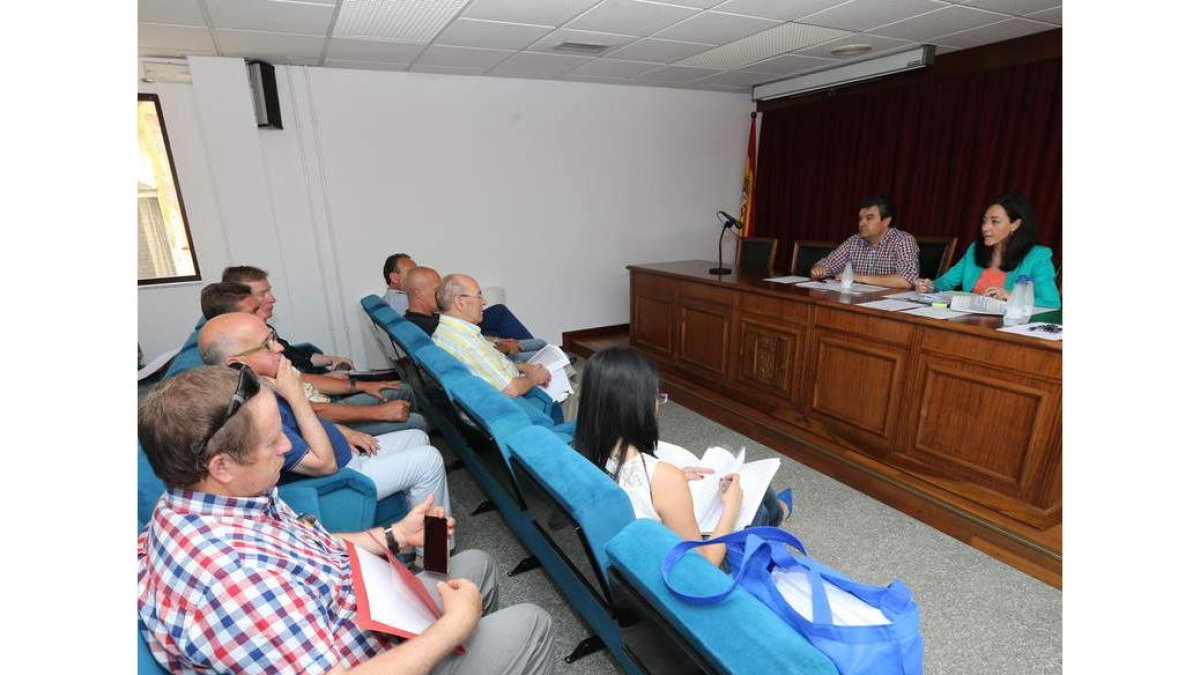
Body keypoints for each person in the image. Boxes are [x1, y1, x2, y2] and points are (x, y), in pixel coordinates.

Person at [138, 365, 555, 674]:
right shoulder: (235, 582)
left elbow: (308, 546)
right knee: (531, 622)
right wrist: (455, 627)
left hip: (356, 616)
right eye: (272, 440)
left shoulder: (207, 501)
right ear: (222, 465)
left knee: (474, 562)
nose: (287, 445)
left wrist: (392, 535)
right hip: (360, 658)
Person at [198, 312, 451, 523]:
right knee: (429, 459)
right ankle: (433, 557)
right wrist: (295, 393)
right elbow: (324, 465)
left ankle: (411, 524)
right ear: (236, 363)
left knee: (417, 437)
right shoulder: (252, 412)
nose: (280, 348)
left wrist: (342, 432)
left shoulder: (261, 383)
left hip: (346, 455)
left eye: (273, 337)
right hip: (339, 478)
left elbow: (305, 421)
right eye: (266, 345)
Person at [573, 347, 792, 568]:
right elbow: (704, 565)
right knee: (758, 501)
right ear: (636, 405)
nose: (658, 404)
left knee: (757, 494)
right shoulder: (661, 477)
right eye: (656, 396)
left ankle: (778, 510)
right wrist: (731, 508)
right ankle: (779, 512)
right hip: (683, 572)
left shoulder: (584, 451)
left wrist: (673, 480)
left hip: (638, 546)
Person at [204, 280, 427, 436]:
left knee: (401, 390)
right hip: (319, 426)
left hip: (321, 410)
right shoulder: (247, 367)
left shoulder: (262, 343)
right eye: (254, 309)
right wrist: (377, 412)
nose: (265, 308)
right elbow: (308, 411)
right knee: (415, 421)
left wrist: (361, 385)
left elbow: (302, 379)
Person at [915, 193, 1061, 309]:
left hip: (1006, 328)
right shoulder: (975, 249)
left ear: (1015, 225)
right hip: (966, 320)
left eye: (995, 222)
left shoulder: (1037, 256)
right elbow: (946, 282)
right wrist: (930, 286)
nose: (985, 227)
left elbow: (1051, 303)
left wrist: (1013, 297)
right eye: (984, 221)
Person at [222, 265, 355, 374]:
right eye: (262, 294)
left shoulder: (264, 327)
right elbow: (279, 381)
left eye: (269, 291)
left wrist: (331, 360)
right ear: (241, 300)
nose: (272, 299)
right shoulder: (244, 342)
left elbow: (292, 355)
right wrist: (330, 380)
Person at [405, 266, 545, 361]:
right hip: (494, 360)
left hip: (489, 350)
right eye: (437, 289)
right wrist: (503, 347)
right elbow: (472, 354)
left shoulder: (428, 317)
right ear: (418, 293)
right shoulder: (426, 326)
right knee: (552, 356)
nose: (441, 294)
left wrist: (498, 342)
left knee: (541, 343)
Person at [810, 195, 919, 289]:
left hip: (887, 308)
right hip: (855, 302)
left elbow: (907, 280)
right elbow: (828, 265)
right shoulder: (854, 241)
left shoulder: (902, 240)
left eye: (869, 218)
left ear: (886, 221)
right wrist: (819, 270)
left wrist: (858, 277)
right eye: (860, 218)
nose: (862, 223)